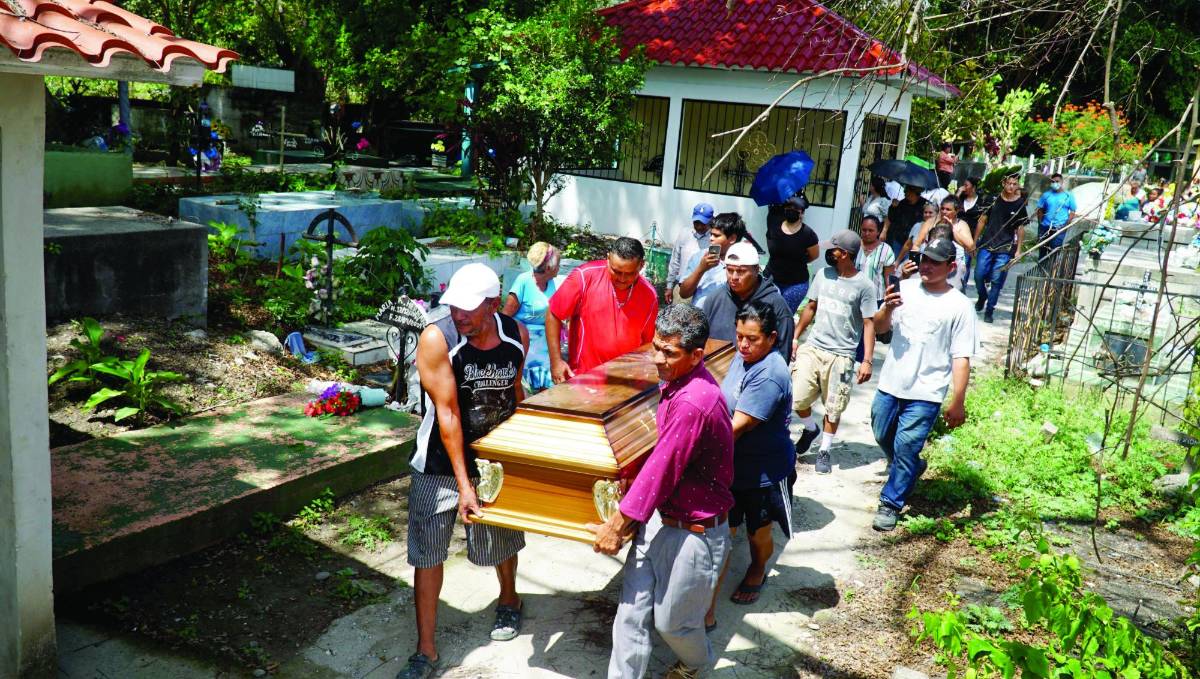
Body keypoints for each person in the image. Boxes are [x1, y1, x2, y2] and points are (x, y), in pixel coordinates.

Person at [589, 304, 734, 679]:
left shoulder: (694, 401)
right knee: (630, 615)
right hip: (657, 520)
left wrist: (617, 523)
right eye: (656, 347)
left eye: (669, 353)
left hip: (695, 531)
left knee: (673, 624)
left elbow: (661, 469)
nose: (658, 359)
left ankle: (695, 662)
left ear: (696, 356)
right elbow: (656, 456)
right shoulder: (674, 383)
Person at [401, 263, 530, 679]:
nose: (459, 315)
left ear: (494, 304)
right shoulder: (438, 338)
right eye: (454, 306)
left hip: (493, 459)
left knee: (501, 537)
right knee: (428, 550)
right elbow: (448, 413)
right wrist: (464, 484)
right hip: (438, 462)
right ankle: (426, 650)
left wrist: (521, 456)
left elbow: (515, 394)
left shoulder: (516, 335)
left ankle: (509, 601)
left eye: (469, 309)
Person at [870, 238, 977, 532]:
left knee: (906, 446)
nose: (927, 266)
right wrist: (887, 309)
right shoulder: (903, 289)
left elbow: (961, 357)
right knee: (881, 432)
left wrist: (958, 400)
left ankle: (890, 503)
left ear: (951, 267)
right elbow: (879, 329)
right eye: (924, 260)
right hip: (891, 382)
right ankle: (911, 468)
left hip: (927, 390)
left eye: (935, 262)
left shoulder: (960, 306)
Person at [703, 302, 793, 628]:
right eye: (739, 336)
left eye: (751, 339)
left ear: (771, 338)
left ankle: (757, 569)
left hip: (762, 471)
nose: (742, 344)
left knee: (758, 531)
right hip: (734, 464)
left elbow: (735, 427)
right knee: (728, 526)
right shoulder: (743, 358)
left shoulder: (770, 374)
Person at [790, 230, 877, 474]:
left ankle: (825, 450)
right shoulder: (822, 275)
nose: (829, 253)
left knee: (834, 406)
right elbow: (811, 307)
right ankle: (809, 428)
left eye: (833, 250)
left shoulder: (865, 286)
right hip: (814, 347)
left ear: (845, 255)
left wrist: (867, 360)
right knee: (796, 397)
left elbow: (869, 323)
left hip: (842, 355)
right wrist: (796, 337)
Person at [546, 237, 658, 383]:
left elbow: (648, 343)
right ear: (608, 259)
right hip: (582, 377)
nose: (622, 279)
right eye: (616, 271)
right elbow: (553, 313)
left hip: (624, 382)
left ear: (641, 266)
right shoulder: (585, 277)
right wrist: (556, 361)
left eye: (630, 273)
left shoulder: (649, 296)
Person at [698, 241, 795, 362]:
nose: (734, 277)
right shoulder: (714, 299)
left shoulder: (777, 306)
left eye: (741, 271)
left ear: (756, 269)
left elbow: (782, 356)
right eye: (729, 270)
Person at [502, 242, 559, 392]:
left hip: (545, 342)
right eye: (558, 263)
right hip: (525, 341)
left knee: (547, 388)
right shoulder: (523, 282)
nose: (559, 266)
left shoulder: (552, 282)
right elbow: (505, 317)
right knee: (528, 388)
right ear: (548, 268)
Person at [973, 173, 1028, 323]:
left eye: (1014, 184)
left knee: (997, 280)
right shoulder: (992, 199)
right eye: (1009, 183)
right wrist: (974, 241)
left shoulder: (1019, 204)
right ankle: (982, 296)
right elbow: (982, 220)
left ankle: (990, 310)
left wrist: (1018, 249)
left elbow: (1020, 228)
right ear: (1003, 183)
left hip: (1005, 247)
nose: (1011, 186)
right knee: (979, 274)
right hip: (987, 243)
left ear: (1017, 185)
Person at [678, 212, 752, 306]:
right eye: (711, 234)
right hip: (698, 318)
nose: (711, 239)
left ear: (732, 238)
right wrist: (701, 269)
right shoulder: (700, 257)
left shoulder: (745, 263)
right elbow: (684, 294)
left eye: (716, 235)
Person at [764, 194, 819, 313]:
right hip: (772, 278)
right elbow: (771, 246)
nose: (791, 211)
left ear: (802, 213)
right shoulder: (774, 226)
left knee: (783, 316)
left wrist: (797, 260)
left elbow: (814, 255)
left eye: (796, 209)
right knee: (766, 314)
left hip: (796, 284)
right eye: (789, 207)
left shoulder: (808, 234)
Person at [911, 195, 975, 291]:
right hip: (930, 261)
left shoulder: (961, 225)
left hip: (952, 266)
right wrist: (914, 262)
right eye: (942, 208)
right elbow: (917, 243)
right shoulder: (930, 222)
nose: (944, 212)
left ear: (956, 211)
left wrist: (952, 229)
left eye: (948, 209)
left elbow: (970, 247)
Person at [854, 215, 895, 358]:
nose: (867, 233)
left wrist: (888, 299)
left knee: (868, 329)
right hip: (854, 295)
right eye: (864, 230)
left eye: (871, 230)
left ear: (878, 232)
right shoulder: (854, 246)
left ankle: (864, 359)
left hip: (875, 298)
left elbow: (888, 277)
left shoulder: (886, 250)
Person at [667, 203, 714, 301]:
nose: (699, 227)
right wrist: (669, 286)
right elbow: (675, 261)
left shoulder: (715, 238)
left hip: (705, 293)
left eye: (703, 223)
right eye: (696, 222)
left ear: (711, 221)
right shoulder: (684, 234)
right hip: (682, 289)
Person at [1034, 172, 1077, 264]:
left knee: (1054, 252)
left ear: (1062, 182)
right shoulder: (1046, 195)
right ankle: (1040, 272)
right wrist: (1040, 223)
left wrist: (1065, 224)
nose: (1055, 183)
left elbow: (1072, 212)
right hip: (1045, 227)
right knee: (1042, 251)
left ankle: (1050, 273)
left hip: (1059, 228)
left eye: (1057, 181)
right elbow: (1039, 209)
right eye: (1053, 181)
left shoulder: (1068, 195)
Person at [957, 177, 987, 288]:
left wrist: (974, 242)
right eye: (963, 185)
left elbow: (982, 222)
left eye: (966, 185)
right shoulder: (960, 199)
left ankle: (962, 287)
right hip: (956, 235)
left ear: (973, 187)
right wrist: (959, 192)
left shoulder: (981, 202)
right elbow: (950, 205)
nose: (964, 188)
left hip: (970, 237)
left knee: (966, 262)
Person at [883, 185, 928, 257]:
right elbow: (891, 218)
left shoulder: (925, 205)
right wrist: (893, 208)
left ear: (915, 193)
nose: (905, 194)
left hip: (913, 241)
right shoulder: (902, 203)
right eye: (905, 192)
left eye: (907, 192)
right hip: (899, 239)